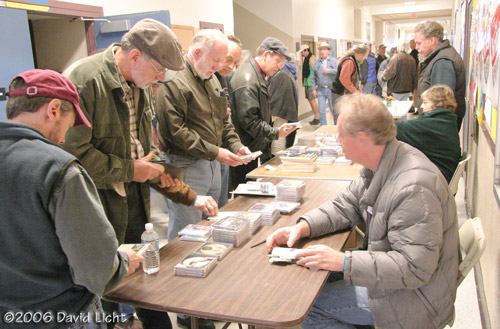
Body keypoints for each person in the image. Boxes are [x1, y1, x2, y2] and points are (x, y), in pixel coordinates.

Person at [63, 19, 211, 329]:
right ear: (134, 57)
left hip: (133, 202)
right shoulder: (84, 80)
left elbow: (147, 156)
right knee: (105, 294)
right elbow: (72, 158)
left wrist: (190, 197)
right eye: (158, 70)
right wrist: (132, 169)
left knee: (146, 285)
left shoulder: (139, 85)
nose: (160, 79)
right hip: (98, 206)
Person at [266, 93, 459, 329]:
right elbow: (346, 204)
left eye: (341, 135)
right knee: (318, 279)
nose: (337, 141)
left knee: (309, 305)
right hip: (405, 287)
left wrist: (344, 262)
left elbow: (414, 268)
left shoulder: (413, 188)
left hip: (415, 301)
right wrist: (303, 227)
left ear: (362, 138)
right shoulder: (384, 161)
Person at [0, 69, 142, 328]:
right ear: (53, 109)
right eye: (68, 123)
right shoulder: (59, 169)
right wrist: (123, 263)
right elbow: (97, 271)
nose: (64, 138)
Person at [229, 37, 298, 190]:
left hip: (250, 145)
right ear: (266, 55)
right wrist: (274, 133)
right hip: (244, 147)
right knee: (242, 192)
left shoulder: (256, 74)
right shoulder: (248, 78)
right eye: (278, 62)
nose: (279, 68)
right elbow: (249, 121)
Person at [396, 84, 461, 183]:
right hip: (439, 175)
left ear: (437, 104)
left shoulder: (433, 124)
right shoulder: (445, 120)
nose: (421, 106)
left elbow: (397, 129)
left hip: (436, 181)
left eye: (425, 103)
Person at [414, 20, 466, 130]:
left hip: (437, 130)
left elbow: (441, 104)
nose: (416, 47)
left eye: (419, 43)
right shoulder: (437, 58)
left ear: (432, 40)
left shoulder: (442, 62)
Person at [215, 35, 243, 208]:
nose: (231, 66)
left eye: (235, 62)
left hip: (223, 148)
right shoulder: (207, 78)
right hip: (206, 154)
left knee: (221, 204)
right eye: (228, 60)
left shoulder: (223, 78)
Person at [331, 44, 369, 123]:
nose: (366, 58)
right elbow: (344, 79)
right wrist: (355, 91)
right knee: (340, 118)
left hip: (344, 94)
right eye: (366, 56)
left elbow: (352, 78)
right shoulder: (349, 62)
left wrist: (357, 89)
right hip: (339, 94)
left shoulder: (354, 61)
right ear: (360, 54)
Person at [269, 61, 299, 154]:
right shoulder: (285, 75)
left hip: (280, 118)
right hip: (284, 116)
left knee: (277, 148)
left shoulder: (280, 76)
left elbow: (277, 102)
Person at [311, 42, 338, 125]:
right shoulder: (317, 63)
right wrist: (313, 89)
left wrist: (329, 71)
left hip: (331, 89)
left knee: (334, 110)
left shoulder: (334, 61)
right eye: (321, 50)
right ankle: (323, 128)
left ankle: (337, 127)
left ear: (328, 51)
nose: (322, 52)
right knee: (321, 111)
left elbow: (339, 71)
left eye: (324, 50)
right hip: (321, 89)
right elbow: (313, 76)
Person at [300, 44, 320, 125]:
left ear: (306, 50)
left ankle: (317, 117)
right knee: (310, 100)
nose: (301, 53)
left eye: (302, 51)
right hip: (308, 82)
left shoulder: (311, 58)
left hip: (311, 83)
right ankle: (317, 116)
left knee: (312, 100)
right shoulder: (306, 59)